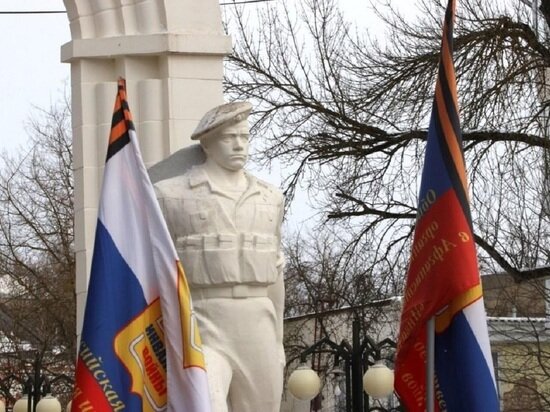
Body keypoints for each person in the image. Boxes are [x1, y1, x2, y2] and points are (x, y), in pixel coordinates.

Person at [154, 101, 285, 412]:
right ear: (208, 143)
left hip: (258, 322)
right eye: (229, 137)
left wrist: (278, 339)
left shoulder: (270, 198)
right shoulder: (171, 195)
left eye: (244, 136)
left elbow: (276, 277)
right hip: (203, 320)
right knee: (206, 405)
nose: (240, 144)